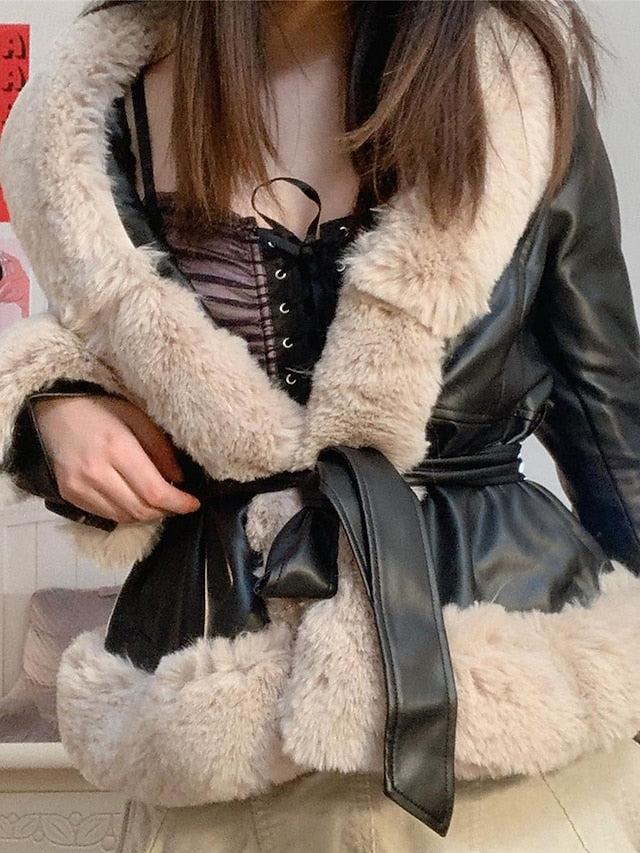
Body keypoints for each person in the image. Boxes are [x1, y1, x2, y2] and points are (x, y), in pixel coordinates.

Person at [1, 0, 640, 850]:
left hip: (509, 733)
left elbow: (611, 426)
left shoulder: (511, 79)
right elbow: (101, 352)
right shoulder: (93, 115)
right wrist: (48, 408)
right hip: (216, 751)